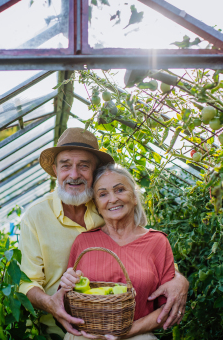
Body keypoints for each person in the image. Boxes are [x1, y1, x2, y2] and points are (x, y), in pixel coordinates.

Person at [19, 128, 189, 339]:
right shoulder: (36, 216)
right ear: (55, 170)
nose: (74, 174)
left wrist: (180, 280)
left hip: (125, 324)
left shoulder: (108, 204)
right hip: (62, 326)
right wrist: (52, 305)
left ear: (95, 171)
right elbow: (28, 281)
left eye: (83, 166)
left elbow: (152, 260)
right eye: (66, 166)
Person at [59, 164, 175, 340]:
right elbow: (66, 303)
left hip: (138, 336)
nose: (113, 199)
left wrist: (127, 332)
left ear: (134, 197)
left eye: (120, 190)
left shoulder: (157, 242)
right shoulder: (83, 242)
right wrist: (66, 284)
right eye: (103, 194)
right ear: (97, 206)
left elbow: (167, 308)